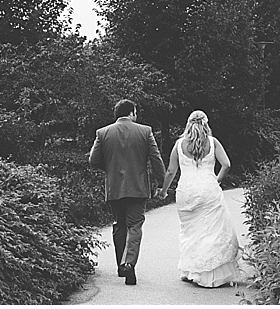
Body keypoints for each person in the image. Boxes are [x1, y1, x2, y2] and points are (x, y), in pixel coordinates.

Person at [156, 110, 241, 288]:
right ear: (206, 124)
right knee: (212, 231)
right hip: (208, 190)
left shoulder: (179, 145)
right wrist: (216, 180)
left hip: (186, 193)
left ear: (188, 124)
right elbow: (226, 164)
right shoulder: (213, 142)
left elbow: (171, 171)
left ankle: (191, 271)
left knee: (191, 232)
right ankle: (211, 274)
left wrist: (164, 191)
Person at [89, 98, 166, 286]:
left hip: (114, 187)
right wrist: (162, 182)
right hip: (138, 188)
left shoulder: (103, 133)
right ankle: (129, 264)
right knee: (135, 226)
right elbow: (156, 159)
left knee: (119, 225)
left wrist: (110, 169)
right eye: (135, 112)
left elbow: (93, 160)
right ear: (131, 113)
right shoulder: (145, 131)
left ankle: (120, 265)